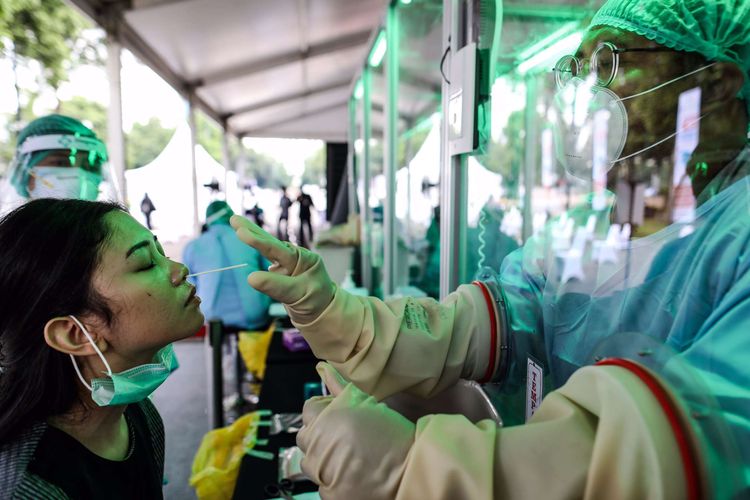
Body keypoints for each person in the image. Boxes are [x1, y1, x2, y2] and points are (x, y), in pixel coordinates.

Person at [230, 0, 750, 497]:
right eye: (579, 71)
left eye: (611, 64)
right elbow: (479, 326)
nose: (589, 95)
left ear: (717, 84)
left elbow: (710, 443)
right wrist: (348, 320)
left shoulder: (738, 236)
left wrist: (418, 469)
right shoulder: (586, 230)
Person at [0, 199, 204, 498]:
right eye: (147, 263)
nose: (179, 270)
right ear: (75, 334)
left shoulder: (135, 414)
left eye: (161, 253)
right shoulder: (30, 488)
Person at [183, 201, 270, 331]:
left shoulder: (193, 247)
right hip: (255, 315)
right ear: (231, 217)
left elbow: (189, 286)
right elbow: (271, 271)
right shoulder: (251, 238)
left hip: (210, 315)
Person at [3, 114, 108, 211]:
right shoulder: (10, 231)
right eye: (60, 163)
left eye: (90, 167)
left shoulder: (109, 230)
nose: (79, 176)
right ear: (23, 172)